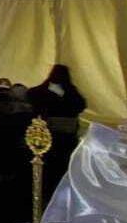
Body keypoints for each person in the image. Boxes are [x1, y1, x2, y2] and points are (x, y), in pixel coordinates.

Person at [27, 64, 87, 199]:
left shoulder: (68, 91)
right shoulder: (56, 91)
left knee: (58, 168)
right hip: (52, 136)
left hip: (62, 137)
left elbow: (80, 105)